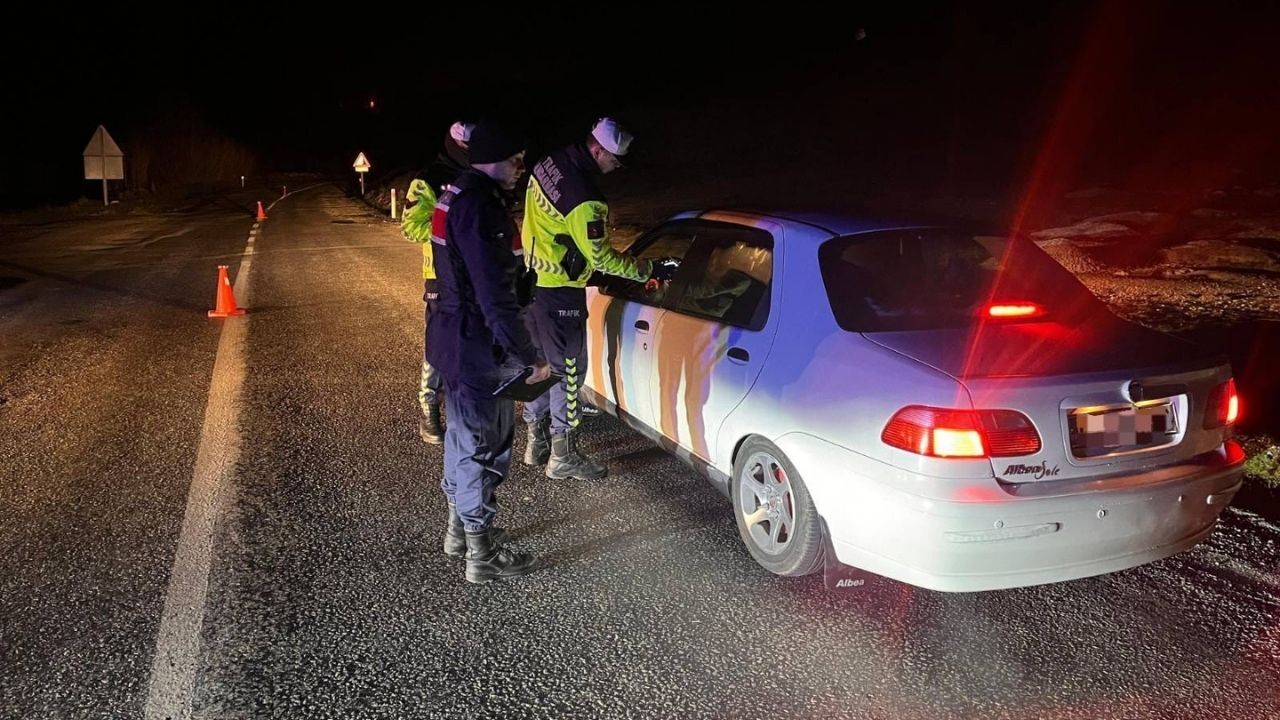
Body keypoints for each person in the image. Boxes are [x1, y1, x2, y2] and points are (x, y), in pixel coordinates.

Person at [428, 118, 551, 583]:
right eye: (515, 160)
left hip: (451, 337)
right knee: (484, 445)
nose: (521, 168)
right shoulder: (481, 207)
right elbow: (493, 297)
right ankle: (481, 554)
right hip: (480, 345)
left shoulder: (456, 193)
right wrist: (527, 356)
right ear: (490, 159)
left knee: (461, 438)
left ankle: (459, 532)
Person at [521, 117, 678, 479]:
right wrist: (648, 270)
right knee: (569, 372)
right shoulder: (587, 201)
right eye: (614, 161)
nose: (615, 168)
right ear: (597, 150)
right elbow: (602, 259)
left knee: (541, 364)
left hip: (532, 281)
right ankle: (563, 455)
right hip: (561, 289)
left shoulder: (549, 163)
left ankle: (536, 441)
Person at [404, 121, 474, 444]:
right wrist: (447, 228)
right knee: (437, 345)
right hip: (439, 275)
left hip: (471, 273)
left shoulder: (474, 176)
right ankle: (429, 409)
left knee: (467, 341)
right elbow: (410, 228)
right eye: (465, 148)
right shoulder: (426, 180)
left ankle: (464, 409)